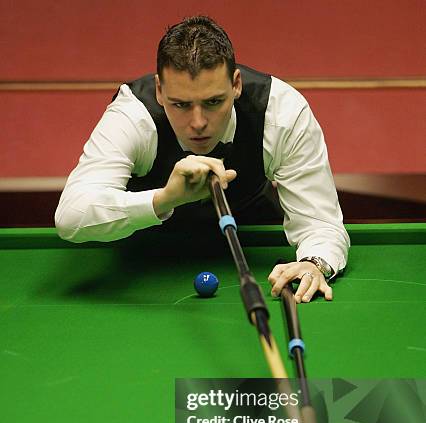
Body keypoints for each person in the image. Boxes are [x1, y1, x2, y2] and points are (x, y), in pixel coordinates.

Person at [55, 15, 349, 303]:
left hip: (249, 231)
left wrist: (314, 263)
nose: (197, 122)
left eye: (213, 102)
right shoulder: (133, 116)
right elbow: (70, 216)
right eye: (181, 104)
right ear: (159, 90)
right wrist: (164, 199)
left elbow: (320, 223)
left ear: (236, 84)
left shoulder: (281, 112)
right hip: (145, 252)